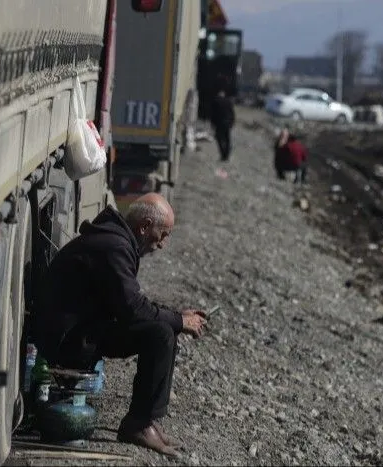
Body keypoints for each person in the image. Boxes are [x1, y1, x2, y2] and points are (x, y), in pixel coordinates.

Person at [32, 193, 207, 457]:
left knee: (163, 327)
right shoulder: (114, 246)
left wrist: (176, 316)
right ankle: (138, 424)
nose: (162, 244)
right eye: (163, 234)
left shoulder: (116, 241)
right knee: (160, 332)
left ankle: (147, 421)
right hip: (66, 340)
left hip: (81, 330)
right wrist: (179, 320)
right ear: (145, 226)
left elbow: (130, 304)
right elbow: (133, 310)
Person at [210, 89, 235, 161]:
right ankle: (226, 155)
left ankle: (222, 154)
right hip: (227, 123)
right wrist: (232, 122)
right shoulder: (228, 102)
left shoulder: (215, 101)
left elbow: (213, 114)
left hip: (219, 124)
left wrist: (212, 123)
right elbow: (232, 113)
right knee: (227, 139)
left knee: (219, 139)